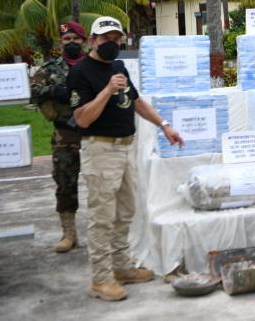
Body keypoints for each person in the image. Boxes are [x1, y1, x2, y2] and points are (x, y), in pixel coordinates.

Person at [68, 16, 184, 301]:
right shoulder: (80, 72)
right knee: (102, 218)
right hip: (100, 150)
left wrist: (164, 125)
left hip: (125, 148)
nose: (112, 43)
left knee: (126, 211)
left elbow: (136, 102)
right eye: (105, 38)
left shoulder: (119, 67)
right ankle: (101, 279)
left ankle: (121, 267)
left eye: (116, 38)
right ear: (92, 40)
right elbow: (82, 119)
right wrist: (107, 91)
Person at [30, 21, 87, 253]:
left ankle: (105, 233)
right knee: (65, 182)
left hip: (95, 132)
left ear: (83, 41)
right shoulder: (50, 68)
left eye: (76, 39)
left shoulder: (94, 64)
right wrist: (53, 90)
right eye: (67, 39)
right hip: (65, 133)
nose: (71, 43)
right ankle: (69, 234)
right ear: (60, 42)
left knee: (103, 184)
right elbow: (33, 91)